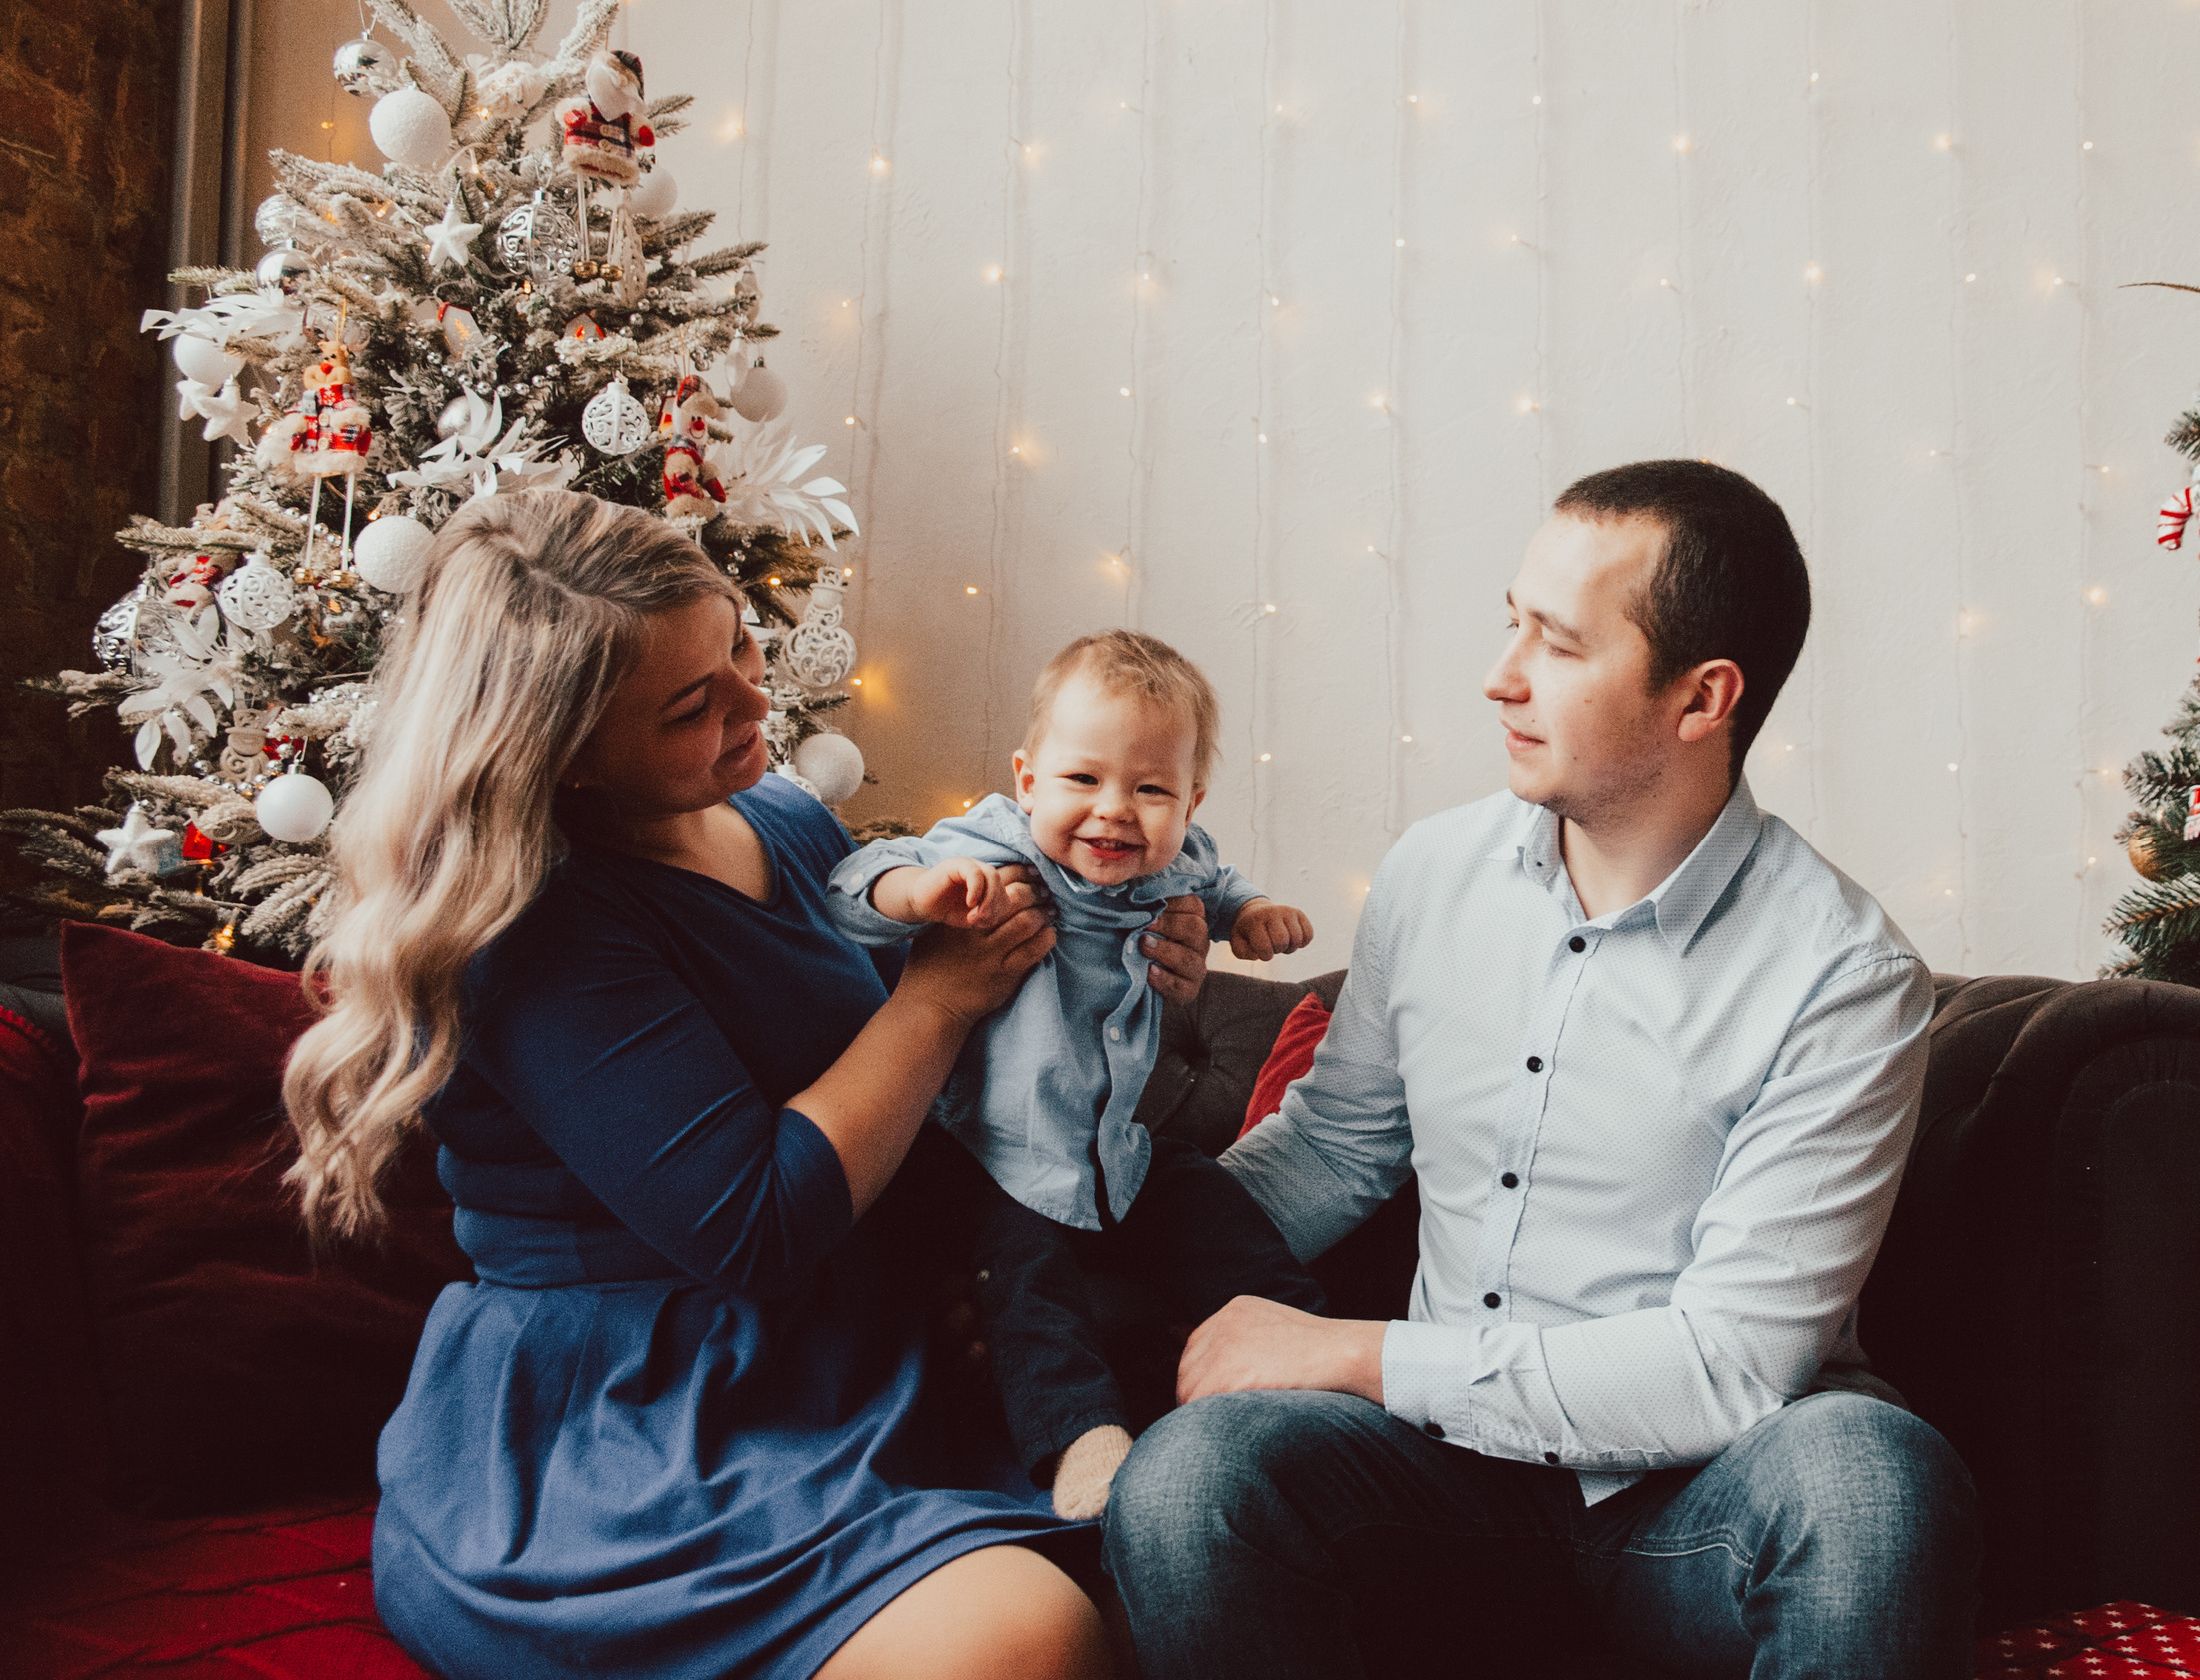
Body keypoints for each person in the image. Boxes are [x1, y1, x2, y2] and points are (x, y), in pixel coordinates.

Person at [279, 490, 1214, 1680]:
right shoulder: (537, 930)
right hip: (640, 1416)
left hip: (858, 1350)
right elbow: (758, 1222)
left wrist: (1123, 961)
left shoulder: (777, 815)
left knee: (1182, 1554)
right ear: (565, 755)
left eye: (739, 646)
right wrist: (937, 999)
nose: (754, 702)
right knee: (1028, 1640)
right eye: (691, 705)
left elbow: (939, 1085)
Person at [1104, 459, 1981, 1679]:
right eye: (1511, 620)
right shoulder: (1432, 872)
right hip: (1434, 1489)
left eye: (1558, 644)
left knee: (1872, 1481)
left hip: (1696, 1507)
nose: (1501, 673)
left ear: (1702, 697)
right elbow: (1336, 1148)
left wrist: (1357, 1354)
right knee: (1190, 1476)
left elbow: (1729, 1363)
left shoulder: (1842, 973)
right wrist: (1088, 1246)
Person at [828, 630, 1325, 1519]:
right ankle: (1081, 1439)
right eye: (1083, 779)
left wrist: (1253, 914)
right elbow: (853, 883)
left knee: (1209, 1203)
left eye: (1151, 789)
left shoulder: (1182, 860)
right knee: (1024, 1270)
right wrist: (922, 892)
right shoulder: (997, 842)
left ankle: (1316, 1353)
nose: (1115, 811)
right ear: (1027, 781)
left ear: (1191, 801)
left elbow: (1220, 885)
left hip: (1114, 1148)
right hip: (988, 1148)